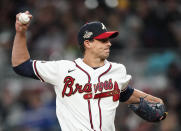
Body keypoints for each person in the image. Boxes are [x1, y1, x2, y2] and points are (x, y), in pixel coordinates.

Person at [12, 11, 164, 131]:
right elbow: (21, 65)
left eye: (109, 40)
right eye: (103, 40)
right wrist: (21, 33)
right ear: (88, 43)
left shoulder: (118, 71)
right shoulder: (63, 69)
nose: (109, 44)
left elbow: (124, 93)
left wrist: (154, 100)